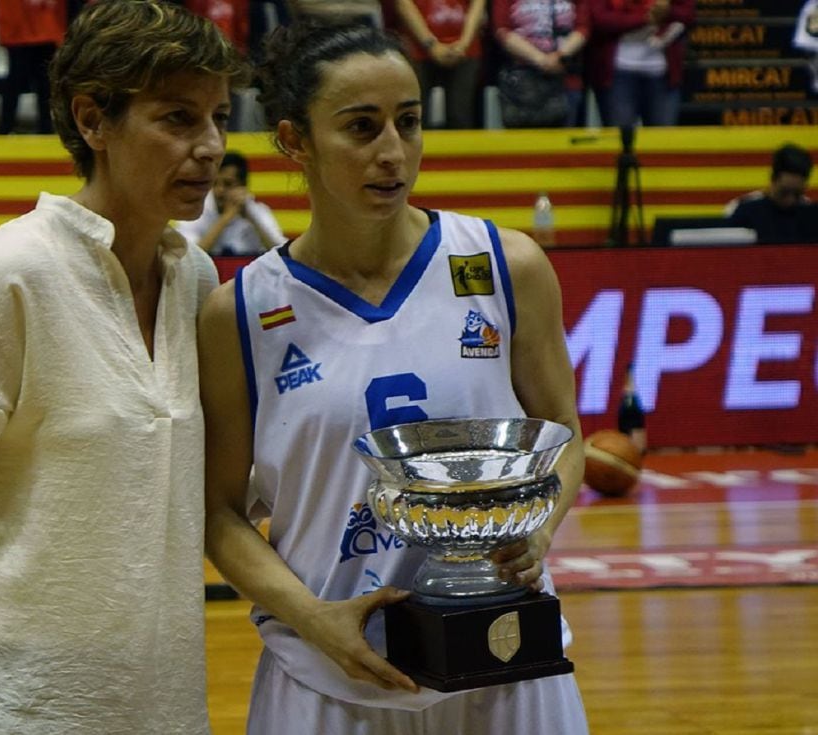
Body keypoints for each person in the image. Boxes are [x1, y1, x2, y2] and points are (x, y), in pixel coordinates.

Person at [199, 21, 588, 735]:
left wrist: (539, 533)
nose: (393, 153)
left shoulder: (509, 266)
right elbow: (220, 513)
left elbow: (565, 439)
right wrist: (313, 618)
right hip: (327, 677)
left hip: (505, 661)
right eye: (361, 127)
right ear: (294, 140)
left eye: (408, 123)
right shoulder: (241, 311)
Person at [0, 3, 246, 734]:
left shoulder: (197, 278)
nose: (209, 147)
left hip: (165, 705)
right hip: (11, 706)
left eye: (218, 117)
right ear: (93, 120)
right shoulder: (8, 272)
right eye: (177, 118)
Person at [587, 0, 694, 128]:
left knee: (662, 142)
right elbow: (600, 19)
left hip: (663, 73)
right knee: (621, 140)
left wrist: (668, 11)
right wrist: (646, 17)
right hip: (617, 72)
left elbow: (688, 14)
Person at [492, 0, 589, 128]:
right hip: (522, 82)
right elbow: (502, 30)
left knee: (562, 142)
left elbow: (583, 26)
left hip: (564, 79)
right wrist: (540, 60)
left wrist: (559, 56)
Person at [394, 0, 486, 129]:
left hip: (465, 50)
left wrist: (464, 44)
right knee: (415, 114)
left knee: (460, 116)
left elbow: (478, 5)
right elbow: (403, 4)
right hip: (417, 49)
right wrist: (431, 45)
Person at [176, 151, 285, 256]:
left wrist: (252, 219)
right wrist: (226, 218)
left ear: (243, 186)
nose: (219, 190)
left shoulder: (257, 211)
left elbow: (282, 255)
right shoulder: (195, 210)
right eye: (215, 183)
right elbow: (188, 258)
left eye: (228, 184)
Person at [726, 143, 818, 245]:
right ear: (772, 180)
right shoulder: (745, 213)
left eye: (797, 194)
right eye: (784, 193)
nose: (790, 200)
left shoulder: (812, 216)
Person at [0, 0, 65, 134]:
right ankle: (5, 129)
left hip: (46, 25)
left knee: (45, 83)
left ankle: (46, 130)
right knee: (16, 80)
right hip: (18, 25)